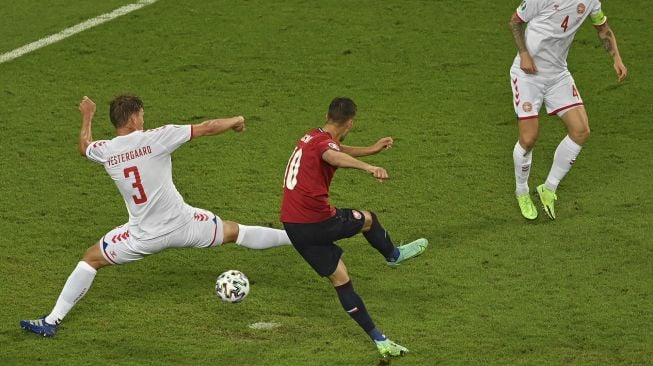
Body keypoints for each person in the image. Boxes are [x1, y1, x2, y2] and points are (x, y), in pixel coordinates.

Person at [20, 95, 291, 337]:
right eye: (142, 115)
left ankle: (51, 321)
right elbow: (208, 127)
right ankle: (298, 238)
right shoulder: (157, 137)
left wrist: (87, 116)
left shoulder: (107, 150)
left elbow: (84, 146)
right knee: (237, 232)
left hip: (142, 237)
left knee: (91, 258)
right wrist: (237, 120)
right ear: (135, 117)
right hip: (185, 225)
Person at [280, 97, 428, 358]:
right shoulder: (326, 147)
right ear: (350, 123)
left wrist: (371, 150)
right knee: (368, 219)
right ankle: (393, 255)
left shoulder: (312, 136)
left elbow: (335, 149)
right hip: (317, 221)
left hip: (293, 225)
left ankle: (380, 341)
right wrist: (369, 167)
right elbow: (333, 156)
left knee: (341, 280)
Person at [508, 0, 627, 219]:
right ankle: (521, 190)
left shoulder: (591, 1)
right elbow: (515, 22)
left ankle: (549, 188)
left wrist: (616, 58)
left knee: (581, 130)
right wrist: (524, 53)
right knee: (529, 138)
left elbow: (602, 28)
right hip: (527, 75)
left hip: (558, 76)